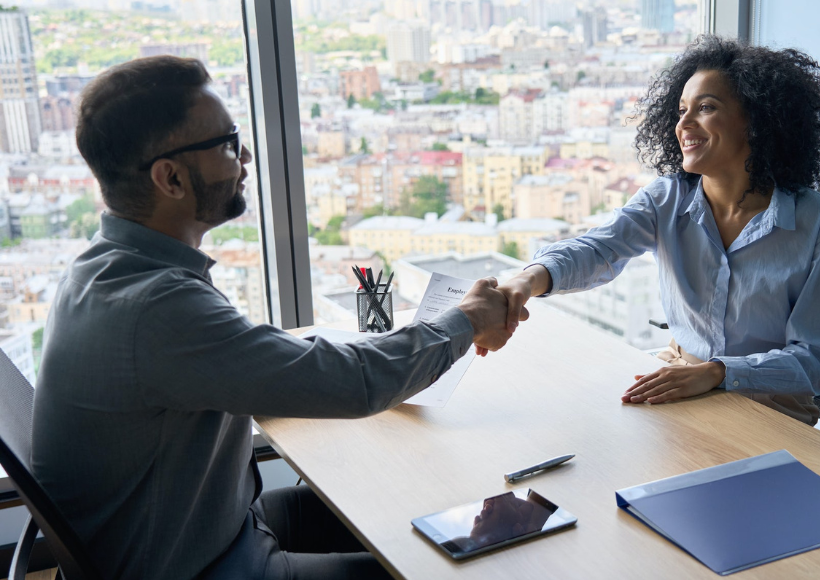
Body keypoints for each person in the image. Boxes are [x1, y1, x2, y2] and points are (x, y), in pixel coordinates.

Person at [31, 56, 526, 580]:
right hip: (199, 564)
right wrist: (465, 319)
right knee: (446, 569)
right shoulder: (155, 308)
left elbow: (243, 357)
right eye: (225, 143)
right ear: (170, 177)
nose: (244, 156)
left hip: (205, 526)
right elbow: (355, 384)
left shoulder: (108, 267)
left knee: (418, 506)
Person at [498, 36, 820, 426]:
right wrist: (526, 282)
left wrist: (718, 373)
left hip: (770, 406)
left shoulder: (814, 221)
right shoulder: (667, 199)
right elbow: (597, 250)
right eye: (681, 110)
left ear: (757, 120)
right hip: (678, 383)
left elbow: (818, 360)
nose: (683, 124)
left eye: (706, 108)